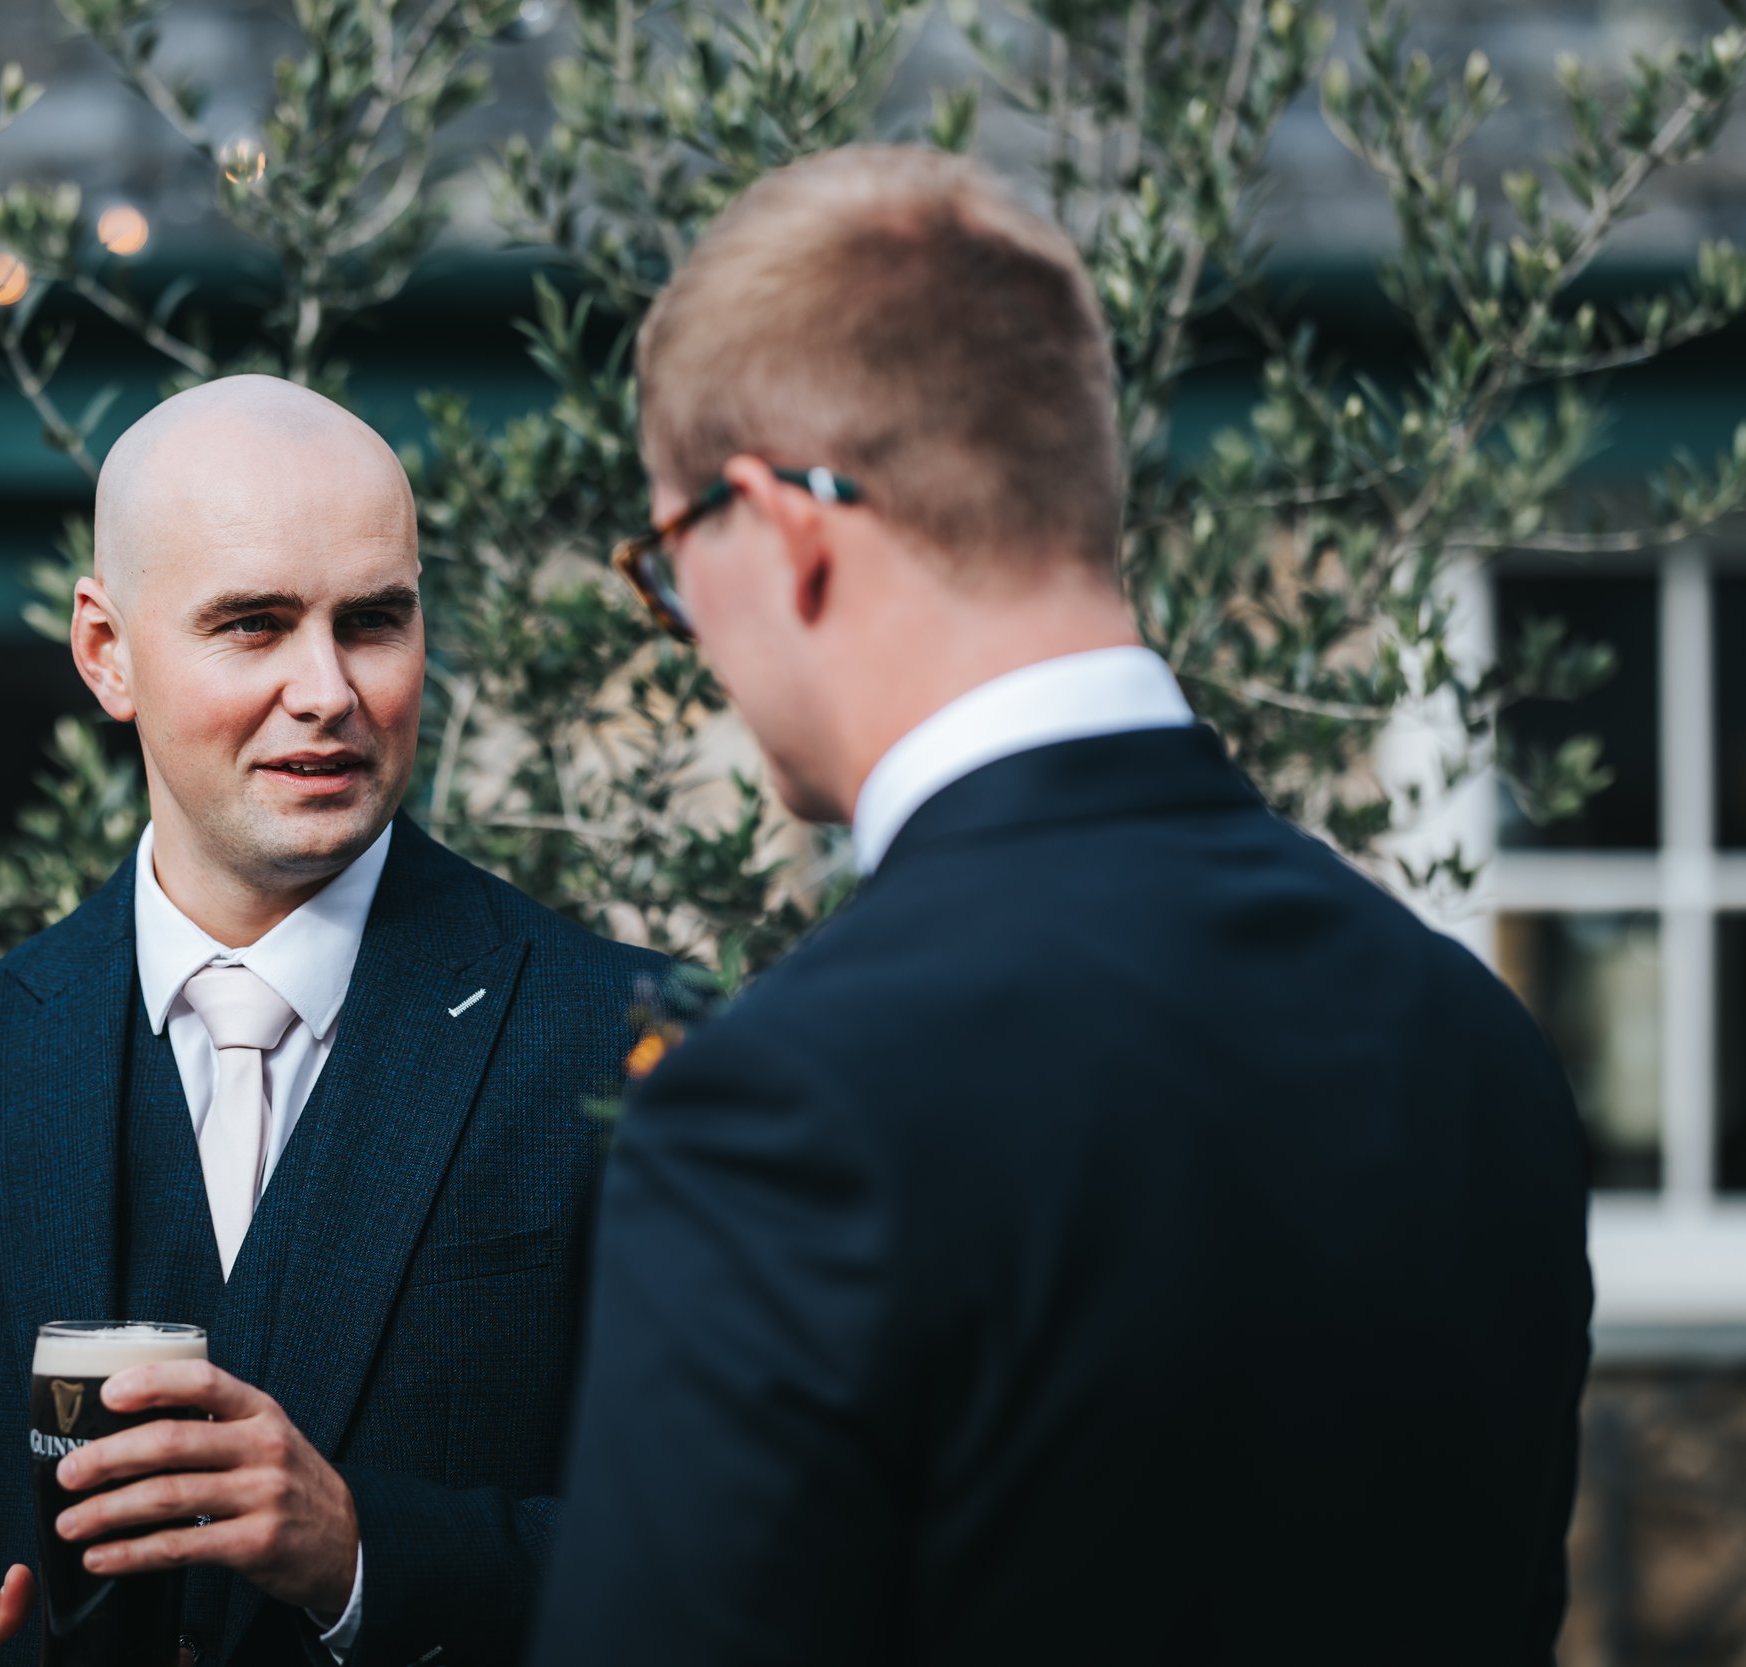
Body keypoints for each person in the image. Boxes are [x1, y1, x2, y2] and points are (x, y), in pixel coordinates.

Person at [531, 147, 1594, 1664]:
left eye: (668, 564)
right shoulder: (1472, 1045)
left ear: (780, 529)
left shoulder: (790, 1113)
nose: (690, 633)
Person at [0, 375, 668, 1667]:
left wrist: (360, 1555)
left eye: (374, 621)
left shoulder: (632, 1040)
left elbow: (730, 1565)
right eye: (254, 625)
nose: (327, 688)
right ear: (107, 652)